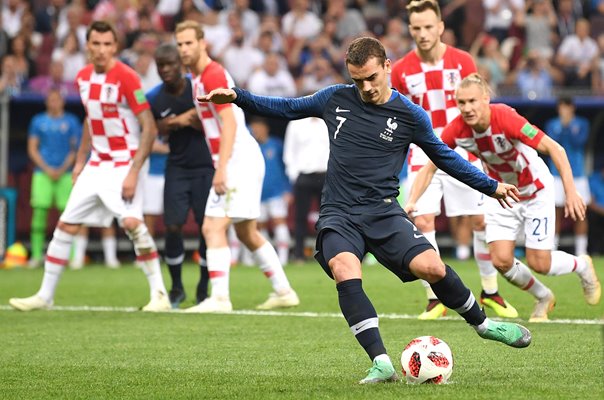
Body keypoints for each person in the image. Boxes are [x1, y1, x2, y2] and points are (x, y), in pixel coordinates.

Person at [198, 37, 532, 384]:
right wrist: (238, 97)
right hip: (338, 213)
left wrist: (491, 186)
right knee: (344, 269)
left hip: (383, 211)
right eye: (358, 80)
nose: (366, 87)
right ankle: (382, 362)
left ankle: (484, 324)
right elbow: (286, 107)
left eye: (372, 77)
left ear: (387, 67)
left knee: (431, 265)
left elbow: (444, 156)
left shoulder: (410, 115)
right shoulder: (334, 98)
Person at [405, 73, 601, 322]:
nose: (467, 108)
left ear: (486, 99)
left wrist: (571, 192)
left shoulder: (506, 117)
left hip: (535, 190)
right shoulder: (457, 129)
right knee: (501, 259)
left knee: (540, 262)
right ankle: (543, 296)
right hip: (503, 195)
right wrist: (412, 201)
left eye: (472, 101)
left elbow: (555, 149)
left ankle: (582, 265)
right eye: (462, 103)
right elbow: (429, 167)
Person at [9, 20, 171, 312]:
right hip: (97, 162)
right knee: (65, 225)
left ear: (116, 47)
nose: (101, 50)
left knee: (133, 224)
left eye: (108, 44)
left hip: (125, 160)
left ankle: (159, 294)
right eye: (96, 44)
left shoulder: (128, 77)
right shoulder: (83, 77)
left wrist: (135, 170)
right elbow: (90, 120)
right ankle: (45, 296)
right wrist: (81, 160)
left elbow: (148, 126)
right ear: (87, 46)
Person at [391, 0, 517, 320]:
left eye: (428, 27)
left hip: (463, 148)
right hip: (423, 149)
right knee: (422, 220)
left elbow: (478, 105)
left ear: (440, 27)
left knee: (480, 221)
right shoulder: (402, 69)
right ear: (410, 30)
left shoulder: (462, 61)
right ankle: (435, 299)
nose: (422, 33)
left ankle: (490, 292)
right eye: (416, 28)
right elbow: (401, 114)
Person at [175, 20, 299, 312]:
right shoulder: (198, 78)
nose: (184, 49)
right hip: (241, 158)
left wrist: (221, 168)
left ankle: (219, 298)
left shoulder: (212, 73)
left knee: (212, 226)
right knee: (246, 232)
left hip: (236, 160)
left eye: (189, 43)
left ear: (203, 43)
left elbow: (229, 122)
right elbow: (213, 119)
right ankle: (284, 291)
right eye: (180, 44)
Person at [146, 43, 214, 309]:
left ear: (181, 65)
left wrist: (176, 121)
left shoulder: (197, 87)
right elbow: (155, 129)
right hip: (176, 167)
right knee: (172, 226)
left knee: (206, 228)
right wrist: (181, 120)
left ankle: (202, 286)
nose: (166, 70)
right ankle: (176, 287)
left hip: (205, 166)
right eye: (161, 65)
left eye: (170, 64)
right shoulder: (154, 97)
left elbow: (203, 120)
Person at [26, 88, 81, 268]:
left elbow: (75, 149)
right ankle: (36, 255)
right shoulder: (38, 121)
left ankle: (69, 257)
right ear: (46, 102)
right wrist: (47, 168)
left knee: (68, 215)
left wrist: (64, 167)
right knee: (39, 213)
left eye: (57, 100)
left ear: (62, 102)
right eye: (51, 100)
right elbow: (32, 148)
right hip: (43, 173)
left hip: (65, 173)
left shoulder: (71, 121)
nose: (54, 103)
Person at [544, 96, 590, 256]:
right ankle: (551, 249)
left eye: (567, 106)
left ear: (572, 108)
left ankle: (581, 251)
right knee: (554, 211)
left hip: (577, 174)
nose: (564, 110)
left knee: (580, 212)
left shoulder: (582, 123)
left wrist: (568, 125)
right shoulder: (552, 124)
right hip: (556, 174)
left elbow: (579, 142)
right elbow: (551, 145)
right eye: (562, 106)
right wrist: (563, 126)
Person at [283, 116, 329, 263]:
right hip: (304, 175)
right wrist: (294, 176)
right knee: (300, 216)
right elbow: (289, 151)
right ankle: (299, 255)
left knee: (329, 216)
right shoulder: (296, 124)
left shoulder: (328, 120)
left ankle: (328, 252)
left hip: (325, 175)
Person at [249, 117, 292, 266]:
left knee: (279, 221)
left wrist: (288, 189)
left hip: (277, 192)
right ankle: (268, 258)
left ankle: (283, 258)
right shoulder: (251, 147)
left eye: (258, 129)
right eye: (253, 130)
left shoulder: (276, 145)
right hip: (257, 193)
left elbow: (287, 166)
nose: (256, 132)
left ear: (265, 128)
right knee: (260, 226)